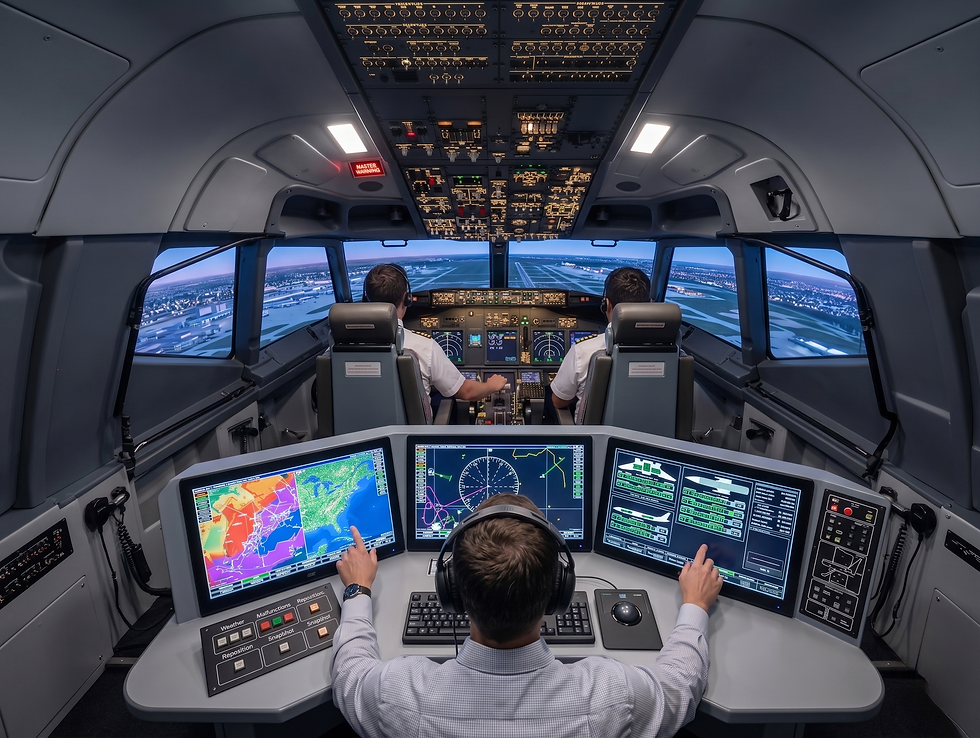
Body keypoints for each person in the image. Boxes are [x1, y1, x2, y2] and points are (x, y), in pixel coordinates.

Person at [332, 493, 723, 738]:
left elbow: (349, 673)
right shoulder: (612, 696)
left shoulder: (398, 694)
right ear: (557, 592)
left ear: (452, 592)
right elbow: (680, 688)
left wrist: (358, 591)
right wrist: (695, 606)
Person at [362, 263, 507, 403]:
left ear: (366, 299)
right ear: (406, 298)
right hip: (411, 429)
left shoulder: (341, 345)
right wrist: (491, 386)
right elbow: (466, 392)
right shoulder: (423, 348)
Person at [550, 266, 652, 422]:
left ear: (607, 305)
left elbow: (559, 401)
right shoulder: (675, 353)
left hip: (596, 442)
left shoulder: (584, 351)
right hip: (658, 443)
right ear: (650, 304)